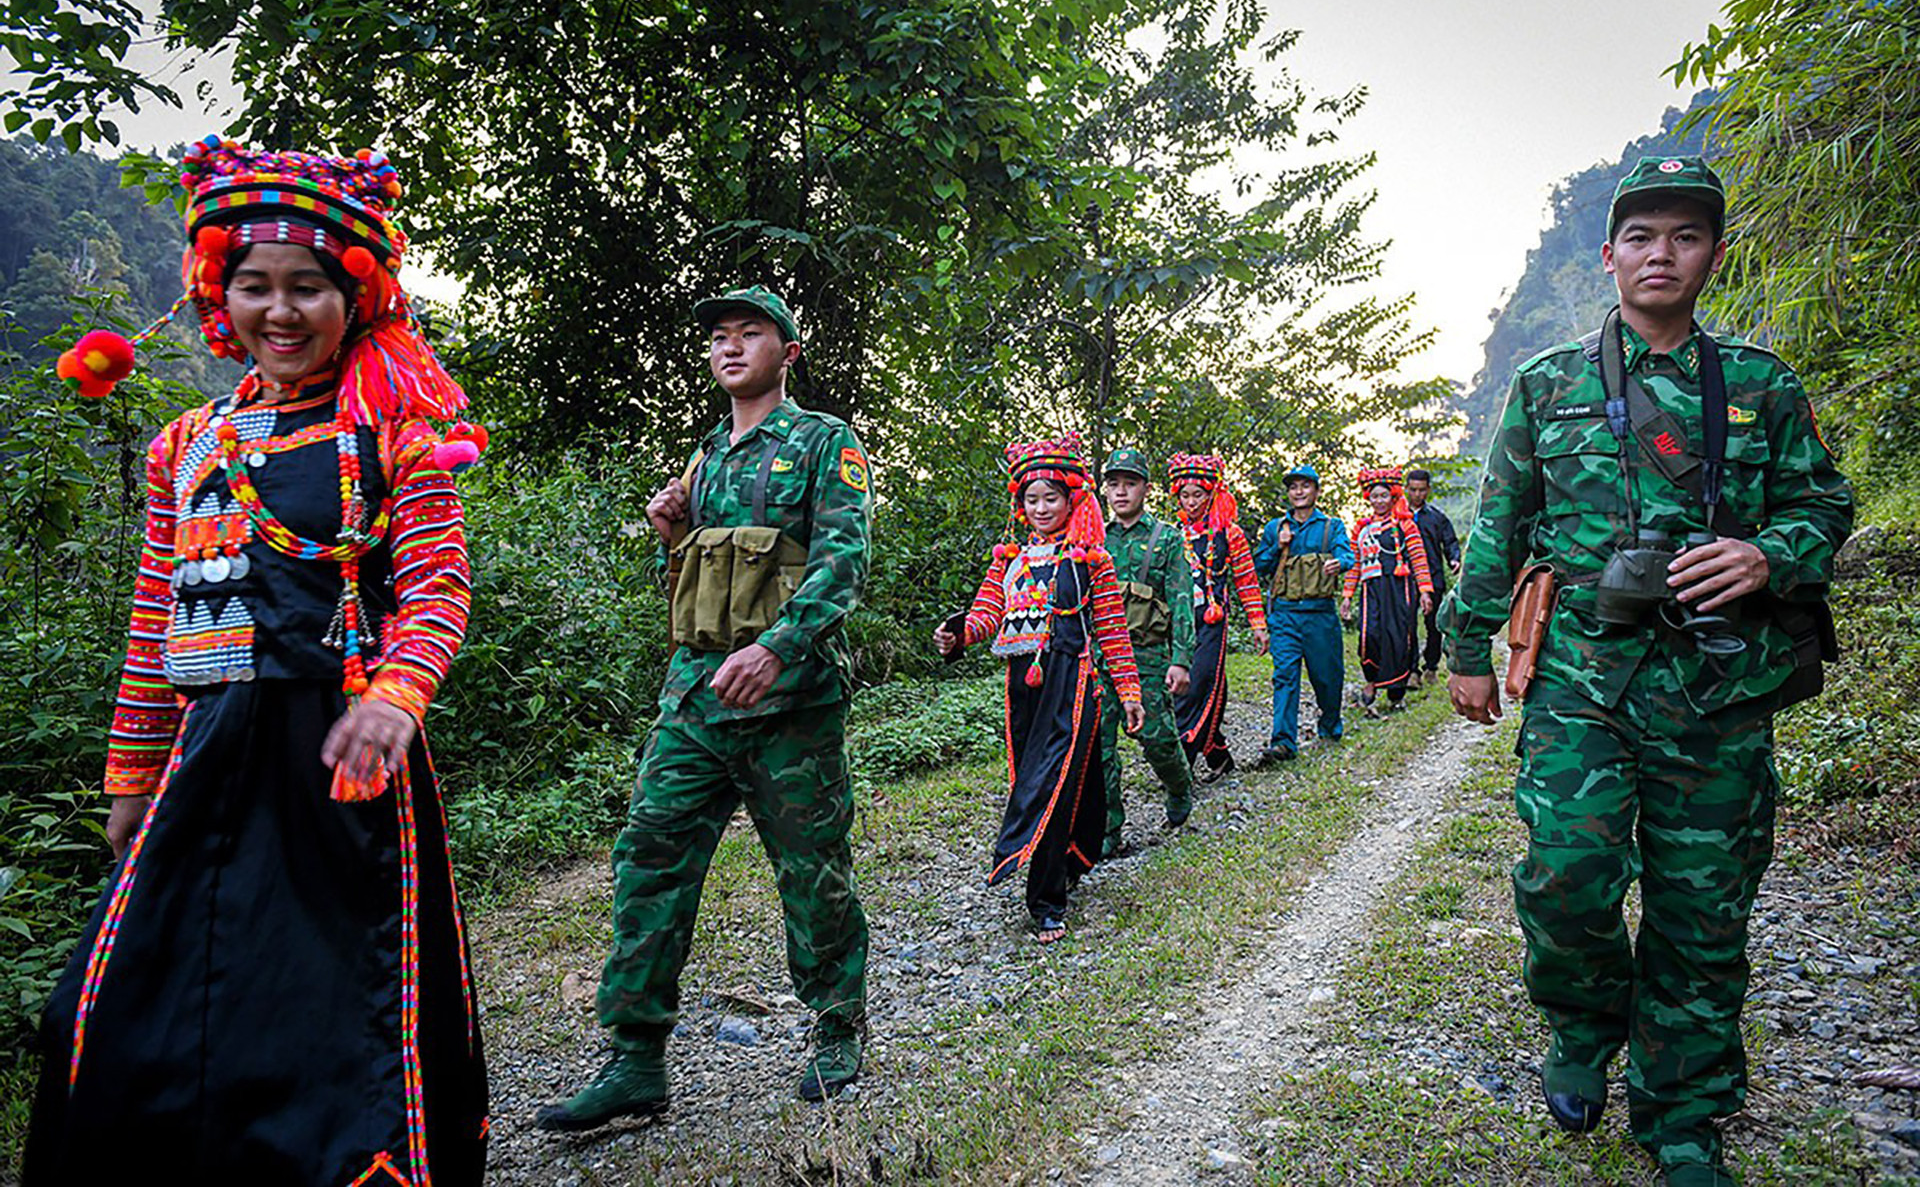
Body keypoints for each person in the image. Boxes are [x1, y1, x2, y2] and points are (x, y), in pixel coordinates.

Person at [26, 139, 488, 1184]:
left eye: (308, 287)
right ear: (217, 294)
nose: (281, 312)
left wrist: (398, 700)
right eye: (255, 286)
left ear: (354, 294)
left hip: (343, 767)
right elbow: (154, 625)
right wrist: (132, 781)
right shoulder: (183, 444)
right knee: (112, 1003)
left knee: (330, 1014)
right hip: (205, 758)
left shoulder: (391, 435)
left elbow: (438, 588)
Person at [1441, 156, 1852, 1187]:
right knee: (1568, 877)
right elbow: (1498, 523)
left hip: (1718, 685)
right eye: (1641, 236)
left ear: (1712, 253)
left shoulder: (1763, 386)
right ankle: (1584, 1028)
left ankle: (1683, 1110)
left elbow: (1824, 506)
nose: (1660, 254)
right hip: (1584, 675)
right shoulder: (1548, 385)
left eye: (1684, 236)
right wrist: (1467, 647)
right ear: (1612, 254)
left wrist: (1770, 554)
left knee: (1702, 907)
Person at [538, 285, 874, 1129]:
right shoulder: (704, 460)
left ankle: (838, 1026)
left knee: (811, 867)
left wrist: (779, 648)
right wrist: (668, 537)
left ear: (787, 351)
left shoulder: (823, 443)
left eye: (749, 333)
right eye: (719, 337)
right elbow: (685, 589)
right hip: (694, 697)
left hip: (788, 702)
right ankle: (636, 1059)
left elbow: (843, 562)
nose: (730, 347)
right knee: (650, 854)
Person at [934, 436, 1144, 942]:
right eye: (1032, 499)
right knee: (1055, 779)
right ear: (1020, 505)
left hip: (1074, 684)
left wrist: (1131, 691)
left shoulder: (1091, 560)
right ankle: (1073, 856)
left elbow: (1112, 629)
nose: (1042, 508)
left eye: (1051, 498)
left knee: (1053, 781)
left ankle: (1045, 899)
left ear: (1071, 500)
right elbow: (988, 612)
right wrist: (960, 634)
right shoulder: (1009, 558)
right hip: (1023, 686)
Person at [1095, 447, 1196, 852]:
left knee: (1156, 738)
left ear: (1146, 489)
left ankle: (1179, 784)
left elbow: (1182, 600)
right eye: (1113, 484)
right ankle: (1107, 829)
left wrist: (1181, 660)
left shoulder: (1167, 538)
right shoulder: (1093, 537)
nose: (1121, 492)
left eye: (1130, 483)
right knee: (1099, 748)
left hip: (1147, 656)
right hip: (1099, 659)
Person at [1167, 453, 1267, 781]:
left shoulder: (1230, 533)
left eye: (1199, 494)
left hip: (1211, 621)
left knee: (1197, 684)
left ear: (1211, 495)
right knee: (1197, 687)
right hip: (1178, 623)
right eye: (1186, 495)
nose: (1192, 502)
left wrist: (1258, 624)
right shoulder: (1172, 535)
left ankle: (1182, 757)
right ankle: (1218, 754)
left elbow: (1246, 580)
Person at [1251, 465, 1353, 762]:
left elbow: (1346, 553)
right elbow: (1258, 567)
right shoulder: (1275, 528)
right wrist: (1277, 547)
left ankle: (1331, 726)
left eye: (1305, 486)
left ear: (1316, 491)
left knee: (1327, 677)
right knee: (1284, 676)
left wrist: (1340, 563)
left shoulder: (1331, 526)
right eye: (1293, 487)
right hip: (1284, 615)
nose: (1299, 491)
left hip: (1320, 615)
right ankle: (1283, 742)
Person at [1341, 467, 1433, 713]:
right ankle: (1371, 680)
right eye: (1374, 496)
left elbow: (1418, 557)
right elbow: (1354, 564)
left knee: (1398, 636)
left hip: (1398, 587)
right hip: (1370, 590)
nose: (1379, 501)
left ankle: (1396, 692)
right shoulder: (1361, 529)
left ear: (1393, 496)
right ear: (1368, 499)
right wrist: (1347, 596)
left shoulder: (1405, 525)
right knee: (1368, 635)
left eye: (1384, 496)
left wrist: (1424, 591)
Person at [1404, 467, 1460, 686]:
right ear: (1406, 489)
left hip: (1433, 575)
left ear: (1428, 490)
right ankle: (1411, 671)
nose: (1417, 494)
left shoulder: (1437, 517)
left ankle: (1431, 666)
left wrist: (1454, 559)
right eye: (1413, 490)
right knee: (1407, 624)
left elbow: (1450, 542)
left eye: (1422, 490)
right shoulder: (1397, 516)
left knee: (1434, 624)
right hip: (1406, 577)